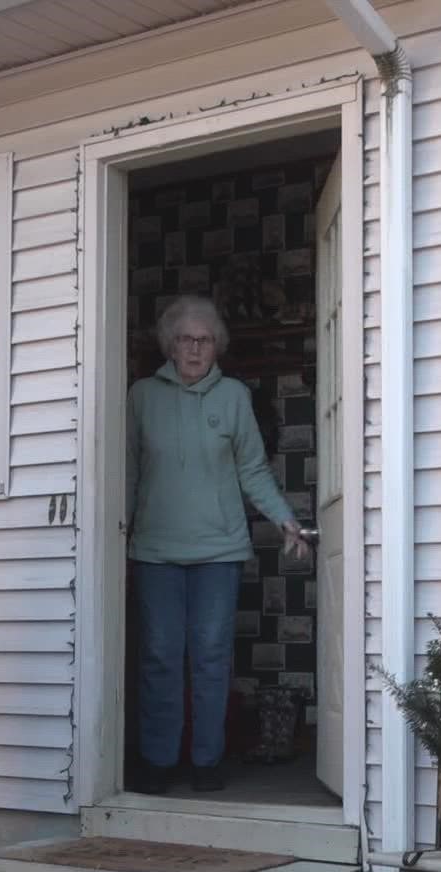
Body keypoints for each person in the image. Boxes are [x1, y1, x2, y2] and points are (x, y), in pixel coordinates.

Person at [126, 295, 309, 794]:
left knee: (210, 656)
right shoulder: (142, 396)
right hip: (155, 549)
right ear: (170, 344)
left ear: (216, 346)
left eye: (204, 340)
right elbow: (126, 472)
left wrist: (285, 519)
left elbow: (252, 468)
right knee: (160, 655)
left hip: (220, 551)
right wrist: (111, 532)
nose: (194, 348)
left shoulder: (233, 397)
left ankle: (208, 760)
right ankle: (158, 760)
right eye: (185, 339)